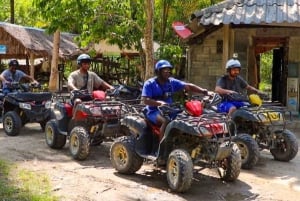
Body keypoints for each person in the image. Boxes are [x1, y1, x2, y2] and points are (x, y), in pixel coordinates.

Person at [141, 59, 208, 142]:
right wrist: (159, 103)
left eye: (169, 70)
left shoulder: (171, 82)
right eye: (164, 70)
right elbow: (146, 100)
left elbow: (188, 86)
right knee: (166, 121)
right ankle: (162, 147)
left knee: (188, 117)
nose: (167, 72)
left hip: (170, 110)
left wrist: (204, 91)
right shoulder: (150, 83)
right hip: (154, 111)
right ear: (158, 71)